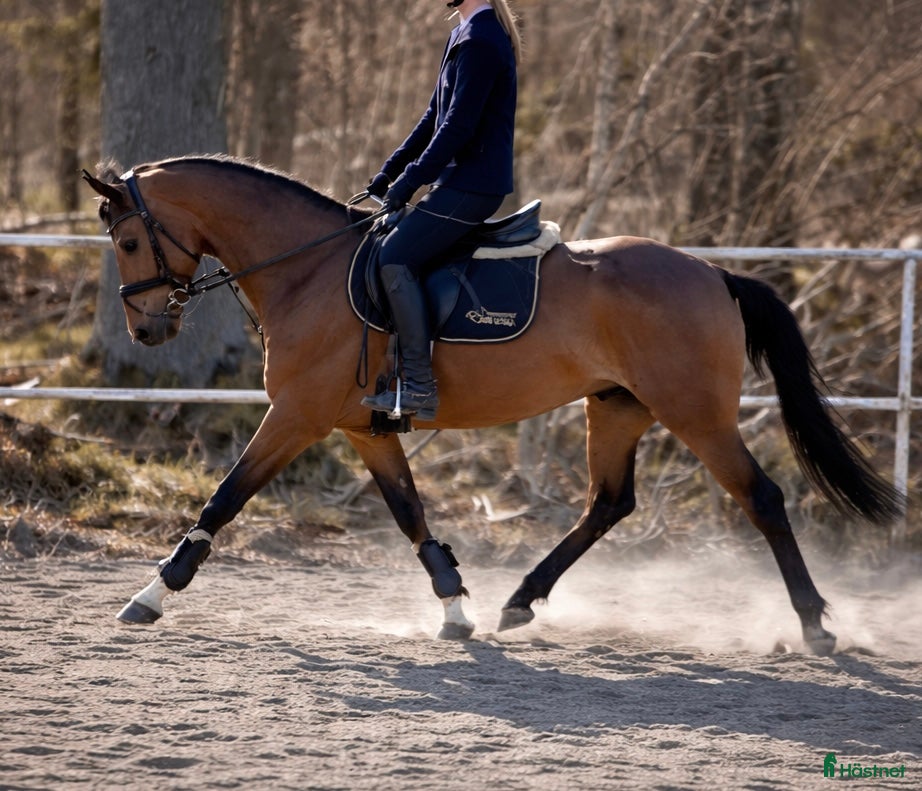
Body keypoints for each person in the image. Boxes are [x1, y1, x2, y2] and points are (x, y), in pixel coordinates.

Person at [361, 0, 521, 419]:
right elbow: (433, 117)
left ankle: (418, 386)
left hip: (474, 184)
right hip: (457, 181)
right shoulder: (462, 34)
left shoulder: (482, 40)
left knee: (394, 257)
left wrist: (410, 182)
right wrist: (388, 174)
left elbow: (457, 129)